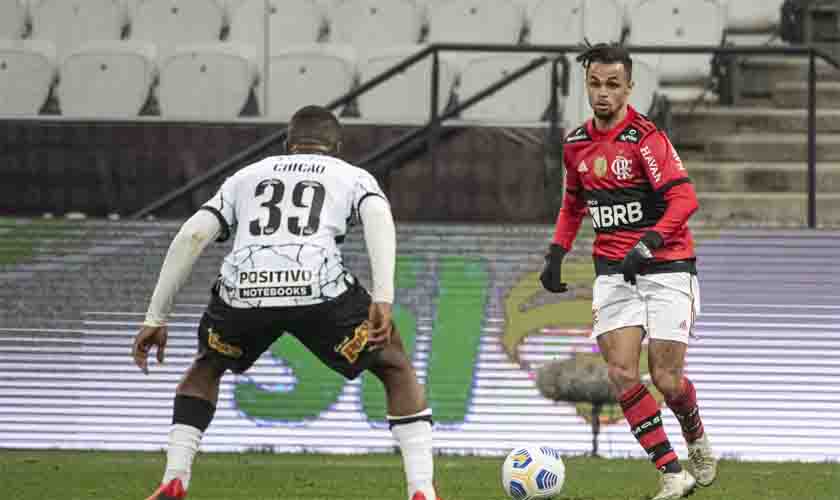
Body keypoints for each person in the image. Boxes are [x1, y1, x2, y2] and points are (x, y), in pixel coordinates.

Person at [133, 105, 441, 500]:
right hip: (318, 288)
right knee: (395, 366)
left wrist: (156, 316)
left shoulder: (246, 177)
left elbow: (192, 235)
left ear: (286, 144)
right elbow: (379, 215)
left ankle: (175, 478)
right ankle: (421, 491)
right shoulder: (351, 175)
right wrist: (383, 296)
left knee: (206, 366)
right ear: (336, 146)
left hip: (243, 290)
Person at [539, 43, 717, 500]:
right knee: (621, 374)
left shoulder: (646, 138)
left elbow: (684, 200)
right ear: (587, 85)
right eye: (595, 84)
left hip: (667, 267)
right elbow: (574, 204)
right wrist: (556, 253)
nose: (603, 94)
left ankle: (695, 435)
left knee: (667, 381)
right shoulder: (576, 143)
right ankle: (672, 473)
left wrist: (648, 242)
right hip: (613, 273)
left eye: (613, 85)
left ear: (628, 87)